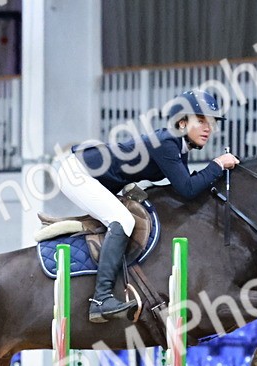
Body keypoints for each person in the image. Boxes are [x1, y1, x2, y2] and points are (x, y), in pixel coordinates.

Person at [56, 90, 240, 323]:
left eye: (211, 123)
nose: (208, 128)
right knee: (123, 221)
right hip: (77, 173)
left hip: (95, 175)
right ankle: (100, 300)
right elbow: (188, 189)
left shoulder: (176, 145)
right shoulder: (167, 143)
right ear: (182, 123)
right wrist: (217, 165)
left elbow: (185, 189)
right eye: (201, 120)